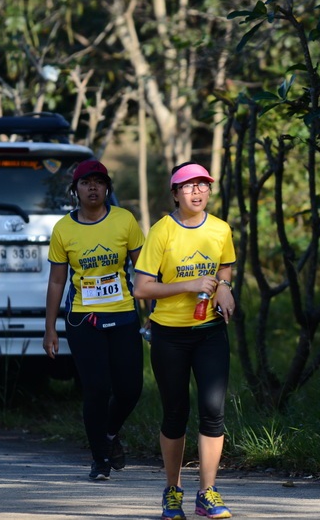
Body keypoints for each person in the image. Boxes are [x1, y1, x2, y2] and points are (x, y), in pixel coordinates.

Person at [133, 162, 236, 519]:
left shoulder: (220, 229)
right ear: (175, 193)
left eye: (203, 185)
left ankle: (207, 493)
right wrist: (189, 285)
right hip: (170, 335)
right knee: (176, 412)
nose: (197, 191)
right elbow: (142, 288)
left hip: (210, 332)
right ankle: (172, 491)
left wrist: (225, 287)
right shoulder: (162, 231)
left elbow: (225, 267)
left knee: (213, 411)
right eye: (188, 186)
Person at [44, 159, 145, 481]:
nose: (93, 188)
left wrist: (155, 313)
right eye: (86, 182)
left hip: (124, 315)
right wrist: (49, 329)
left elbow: (144, 271)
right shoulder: (64, 229)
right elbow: (57, 281)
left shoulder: (124, 220)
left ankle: (109, 434)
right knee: (96, 388)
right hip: (83, 319)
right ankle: (99, 459)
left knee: (130, 389)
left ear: (107, 188)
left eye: (99, 182)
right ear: (75, 189)